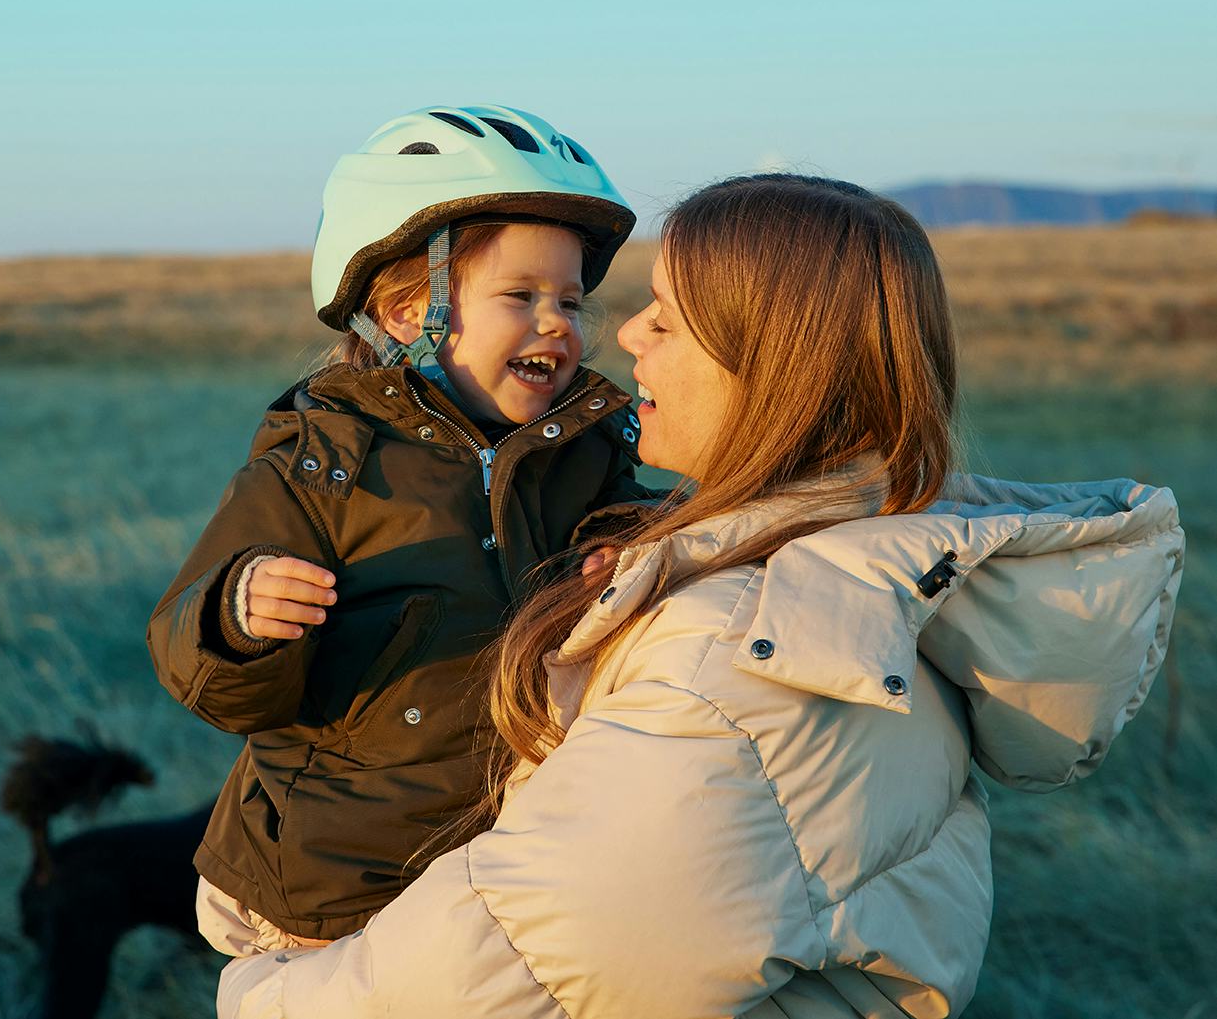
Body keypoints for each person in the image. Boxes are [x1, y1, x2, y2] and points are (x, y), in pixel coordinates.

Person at [216, 174, 1183, 1019]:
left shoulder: (737, 655)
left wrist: (260, 985)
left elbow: (497, 974)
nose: (620, 330)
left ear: (774, 371)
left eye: (667, 316)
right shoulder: (863, 565)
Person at [147, 104, 653, 954]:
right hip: (336, 887)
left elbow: (622, 515)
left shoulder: (585, 444)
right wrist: (238, 618)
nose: (558, 323)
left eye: (571, 298)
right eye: (520, 296)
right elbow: (195, 657)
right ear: (409, 310)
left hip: (507, 861)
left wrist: (625, 541)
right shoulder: (323, 460)